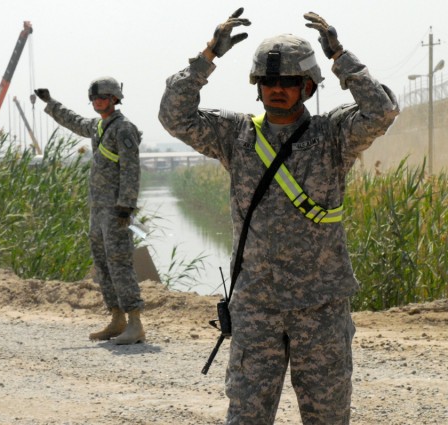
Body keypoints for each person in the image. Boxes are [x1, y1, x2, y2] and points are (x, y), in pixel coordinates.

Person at [159, 8, 398, 425]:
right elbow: (174, 116)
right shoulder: (236, 136)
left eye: (288, 81)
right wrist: (208, 56)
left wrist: (341, 57)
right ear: (257, 86)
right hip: (256, 308)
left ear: (307, 86)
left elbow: (381, 112)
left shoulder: (332, 136)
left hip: (319, 308)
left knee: (327, 418)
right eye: (268, 81)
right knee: (246, 417)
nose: (277, 89)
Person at [34, 77, 145, 345]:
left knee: (120, 264)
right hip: (99, 209)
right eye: (95, 98)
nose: (98, 102)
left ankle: (135, 323)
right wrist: (51, 103)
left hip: (116, 210)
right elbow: (73, 121)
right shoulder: (98, 126)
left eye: (104, 97)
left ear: (115, 99)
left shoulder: (124, 129)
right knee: (103, 264)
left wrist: (126, 206)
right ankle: (117, 318)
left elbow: (131, 169)